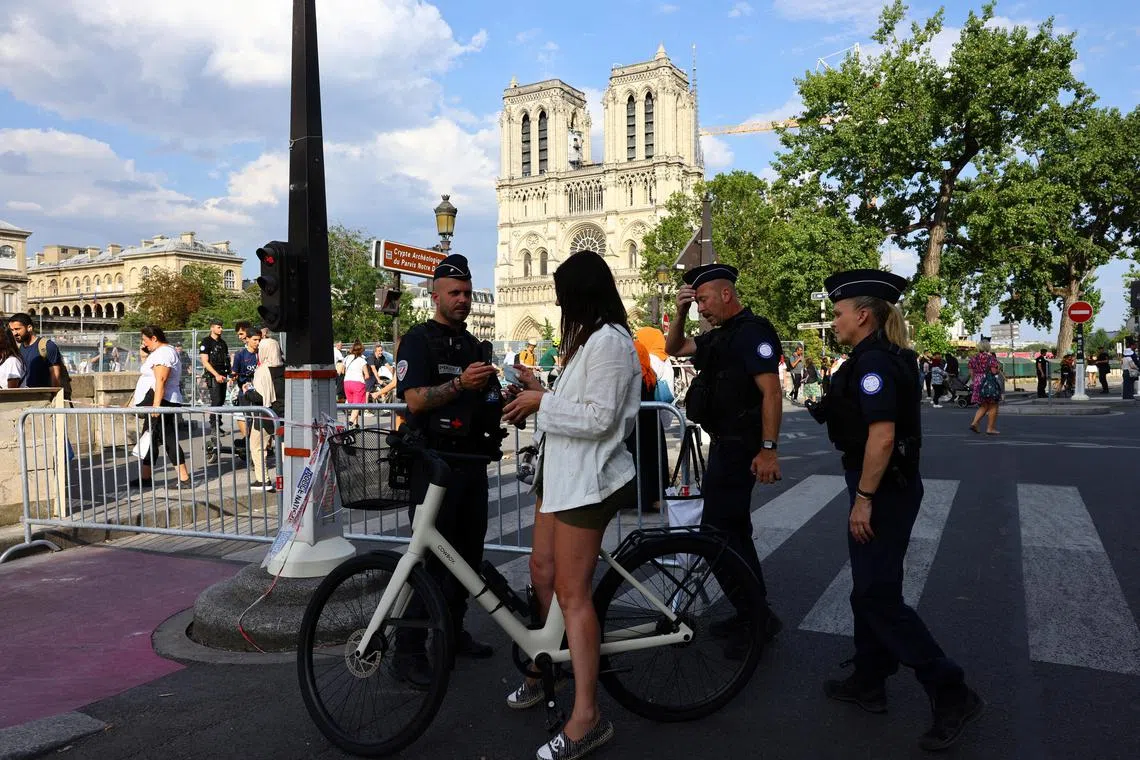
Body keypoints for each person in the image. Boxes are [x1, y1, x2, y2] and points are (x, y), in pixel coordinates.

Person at [805, 269, 982, 752]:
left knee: (876, 596)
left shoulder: (875, 365)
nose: (834, 320)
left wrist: (863, 500)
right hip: (884, 486)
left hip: (882, 489)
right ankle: (869, 680)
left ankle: (951, 691)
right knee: (872, 587)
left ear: (862, 315)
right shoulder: (878, 357)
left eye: (839, 313)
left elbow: (881, 437)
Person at [501, 249, 640, 760]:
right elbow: (577, 404)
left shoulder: (611, 342)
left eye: (563, 297)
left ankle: (588, 716)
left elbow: (600, 419)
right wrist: (540, 391)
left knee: (571, 592)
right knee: (541, 570)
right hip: (559, 474)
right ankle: (543, 662)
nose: (559, 307)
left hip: (588, 480)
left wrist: (543, 403)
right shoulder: (589, 341)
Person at [392, 254, 504, 685]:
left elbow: (485, 400)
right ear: (435, 295)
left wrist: (505, 398)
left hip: (471, 464)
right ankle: (407, 652)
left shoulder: (475, 345)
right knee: (429, 562)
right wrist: (460, 384)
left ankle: (453, 634)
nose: (463, 300)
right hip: (432, 466)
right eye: (454, 293)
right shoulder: (419, 340)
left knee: (468, 558)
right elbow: (415, 401)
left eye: (467, 293)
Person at [665, 263, 784, 658]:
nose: (700, 308)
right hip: (724, 444)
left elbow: (771, 393)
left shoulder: (754, 333)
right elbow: (674, 348)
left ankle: (755, 619)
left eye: (702, 300)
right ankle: (755, 612)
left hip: (742, 447)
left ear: (726, 294)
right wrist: (679, 313)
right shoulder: (720, 336)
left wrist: (768, 448)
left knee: (718, 534)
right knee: (734, 534)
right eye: (696, 302)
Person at [132, 326, 191, 486]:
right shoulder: (159, 353)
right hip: (160, 401)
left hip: (163, 402)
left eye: (145, 340)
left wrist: (156, 406)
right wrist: (145, 356)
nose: (144, 344)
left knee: (168, 439)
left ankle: (184, 478)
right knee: (149, 438)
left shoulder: (164, 353)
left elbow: (161, 380)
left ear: (154, 338)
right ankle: (146, 477)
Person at [244, 338, 285, 492]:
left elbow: (260, 397)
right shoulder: (287, 368)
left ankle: (263, 480)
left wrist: (247, 392)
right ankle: (288, 479)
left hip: (266, 416)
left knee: (257, 447)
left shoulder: (262, 371)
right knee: (284, 449)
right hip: (284, 415)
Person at [8, 313, 63, 390]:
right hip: (24, 397)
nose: (14, 333)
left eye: (17, 329)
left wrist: (54, 399)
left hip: (43, 397)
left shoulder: (47, 346)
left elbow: (55, 378)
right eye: (12, 330)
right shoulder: (18, 349)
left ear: (29, 328)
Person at [198, 318, 230, 437]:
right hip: (213, 375)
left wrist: (229, 374)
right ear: (212, 327)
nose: (221, 329)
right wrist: (216, 375)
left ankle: (218, 425)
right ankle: (213, 426)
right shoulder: (206, 342)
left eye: (221, 327)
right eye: (218, 327)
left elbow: (226, 359)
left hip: (223, 374)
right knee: (216, 400)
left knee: (221, 401)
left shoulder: (223, 343)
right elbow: (205, 362)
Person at [968, 340, 1003, 435]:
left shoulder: (973, 358)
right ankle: (990, 428)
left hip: (978, 381)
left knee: (983, 405)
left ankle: (975, 423)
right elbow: (994, 371)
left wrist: (975, 381)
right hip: (988, 382)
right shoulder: (991, 358)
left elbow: (971, 373)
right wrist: (998, 369)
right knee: (993, 404)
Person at [342, 340, 371, 426]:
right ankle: (350, 422)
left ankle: (356, 424)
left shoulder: (346, 358)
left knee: (353, 404)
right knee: (358, 405)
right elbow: (367, 375)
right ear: (361, 350)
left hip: (347, 383)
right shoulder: (362, 360)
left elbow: (343, 371)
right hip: (358, 383)